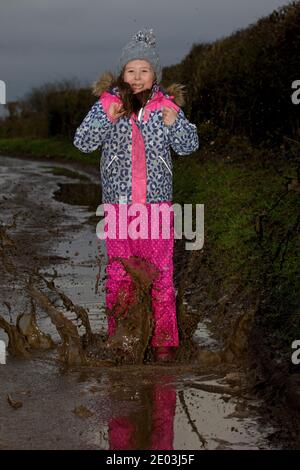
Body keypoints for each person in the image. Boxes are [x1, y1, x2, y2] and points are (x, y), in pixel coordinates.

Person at [73, 28, 199, 361]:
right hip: (118, 209)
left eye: (145, 70)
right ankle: (123, 340)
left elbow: (189, 147)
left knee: (161, 274)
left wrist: (176, 124)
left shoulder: (166, 107)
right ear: (122, 74)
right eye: (132, 70)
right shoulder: (108, 104)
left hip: (156, 209)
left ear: (155, 74)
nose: (138, 77)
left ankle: (164, 343)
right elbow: (82, 141)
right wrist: (105, 119)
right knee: (119, 273)